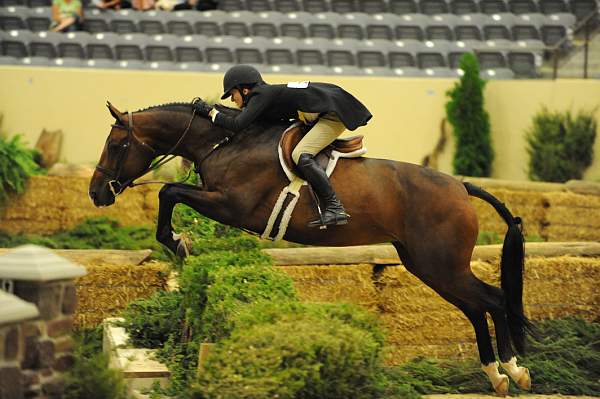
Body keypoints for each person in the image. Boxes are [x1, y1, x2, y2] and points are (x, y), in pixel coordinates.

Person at [193, 64, 372, 228]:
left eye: (233, 94)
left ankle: (335, 208)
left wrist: (211, 112)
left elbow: (238, 124)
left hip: (332, 115)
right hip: (322, 111)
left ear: (244, 89)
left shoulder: (260, 95)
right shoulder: (264, 95)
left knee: (301, 154)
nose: (232, 99)